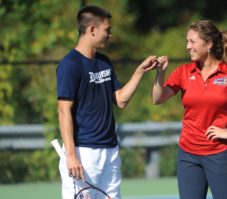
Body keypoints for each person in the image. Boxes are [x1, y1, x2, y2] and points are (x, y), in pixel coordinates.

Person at [152, 20, 227, 199]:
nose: (188, 46)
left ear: (209, 44)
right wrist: (160, 73)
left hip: (220, 154)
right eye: (186, 42)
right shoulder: (183, 72)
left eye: (192, 41)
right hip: (187, 155)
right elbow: (158, 98)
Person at [56, 5, 157, 199]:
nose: (110, 34)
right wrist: (71, 155)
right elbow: (63, 111)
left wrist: (140, 71)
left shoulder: (104, 61)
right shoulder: (70, 65)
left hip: (110, 150)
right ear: (92, 29)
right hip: (83, 152)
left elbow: (120, 100)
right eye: (107, 30)